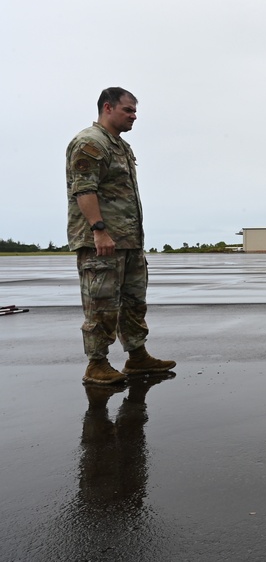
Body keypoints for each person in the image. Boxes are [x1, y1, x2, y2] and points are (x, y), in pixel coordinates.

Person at [66, 87, 176, 385]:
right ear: (108, 107)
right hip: (101, 242)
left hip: (128, 241)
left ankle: (137, 356)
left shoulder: (121, 146)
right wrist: (99, 231)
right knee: (101, 305)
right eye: (128, 110)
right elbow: (84, 190)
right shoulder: (90, 143)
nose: (134, 115)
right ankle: (97, 364)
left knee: (133, 302)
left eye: (134, 110)